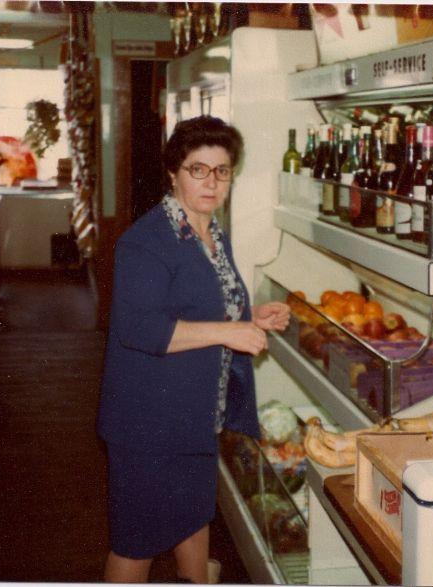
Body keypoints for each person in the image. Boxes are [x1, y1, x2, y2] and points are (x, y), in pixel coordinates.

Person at [98, 115, 291, 583]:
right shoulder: (145, 242)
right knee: (135, 546)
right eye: (197, 169)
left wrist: (249, 321)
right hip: (146, 425)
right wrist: (228, 333)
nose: (211, 181)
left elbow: (207, 306)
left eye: (221, 170)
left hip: (194, 418)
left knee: (192, 519)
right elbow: (139, 329)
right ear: (174, 172)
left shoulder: (212, 234)